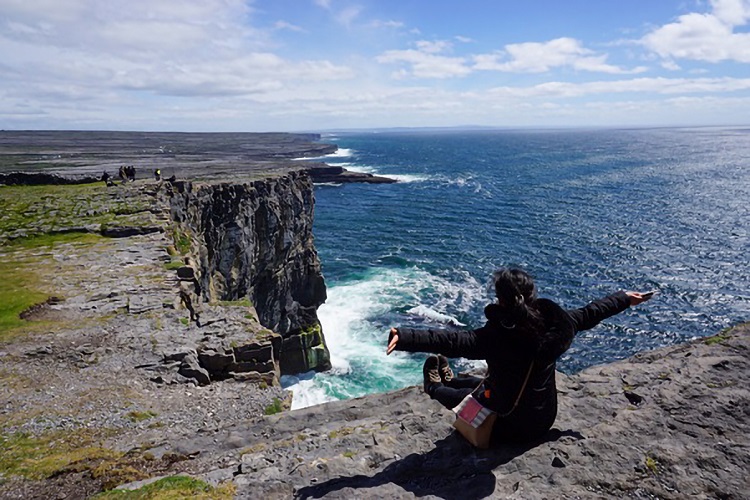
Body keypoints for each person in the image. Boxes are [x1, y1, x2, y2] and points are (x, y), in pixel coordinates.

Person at [386, 267, 654, 445]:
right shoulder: (556, 324)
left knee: (468, 399)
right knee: (478, 384)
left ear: (501, 301)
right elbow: (589, 313)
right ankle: (452, 380)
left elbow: (453, 341)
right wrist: (623, 299)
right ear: (531, 295)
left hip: (508, 426)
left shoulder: (495, 337)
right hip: (543, 418)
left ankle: (433, 387)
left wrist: (407, 337)